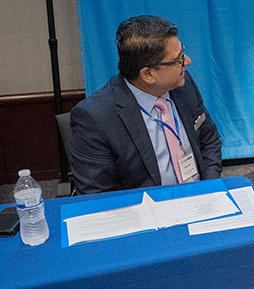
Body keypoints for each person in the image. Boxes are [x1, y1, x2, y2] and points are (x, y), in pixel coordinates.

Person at [69, 15, 222, 194]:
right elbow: (97, 195)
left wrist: (209, 188)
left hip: (201, 198)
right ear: (148, 74)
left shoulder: (183, 83)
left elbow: (209, 140)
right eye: (178, 59)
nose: (187, 62)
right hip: (146, 211)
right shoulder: (95, 118)